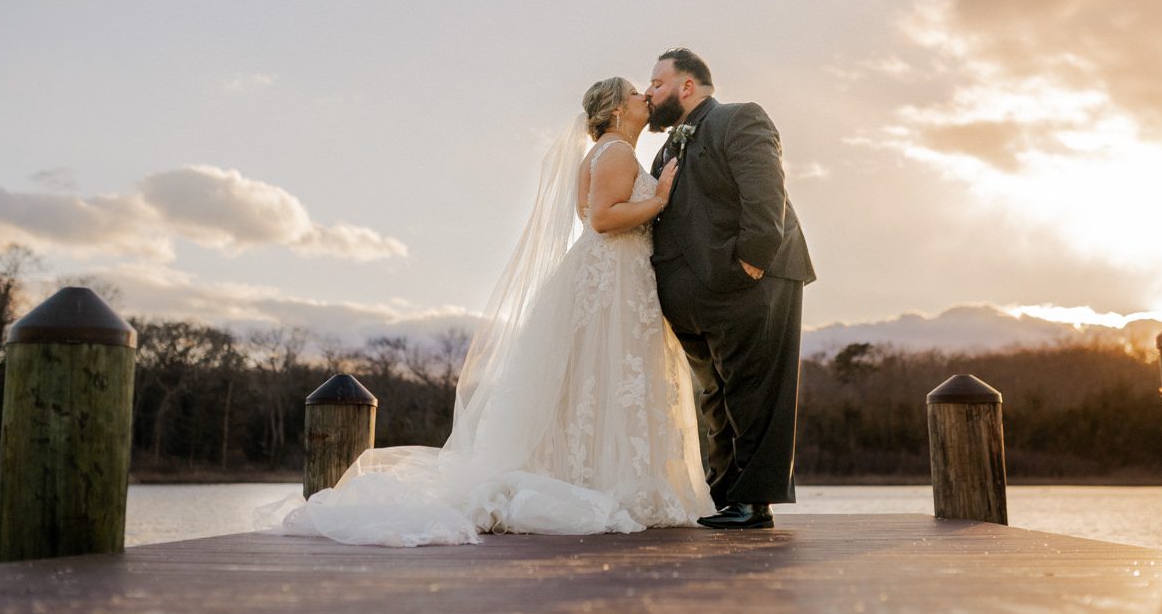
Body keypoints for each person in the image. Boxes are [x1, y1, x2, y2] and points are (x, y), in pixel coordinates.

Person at [278, 77, 714, 546]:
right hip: (613, 278)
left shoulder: (595, 157)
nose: (643, 97)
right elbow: (604, 220)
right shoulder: (618, 153)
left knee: (594, 380)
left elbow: (588, 218)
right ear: (613, 111)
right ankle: (611, 483)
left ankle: (591, 475)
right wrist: (660, 200)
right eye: (633, 93)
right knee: (610, 375)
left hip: (603, 276)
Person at [646, 48, 815, 530]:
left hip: (752, 280)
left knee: (756, 389)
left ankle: (754, 501)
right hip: (696, 296)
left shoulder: (740, 118)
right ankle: (726, 494)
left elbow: (765, 191)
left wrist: (751, 263)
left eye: (657, 83)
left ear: (686, 86)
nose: (649, 93)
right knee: (714, 398)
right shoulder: (665, 149)